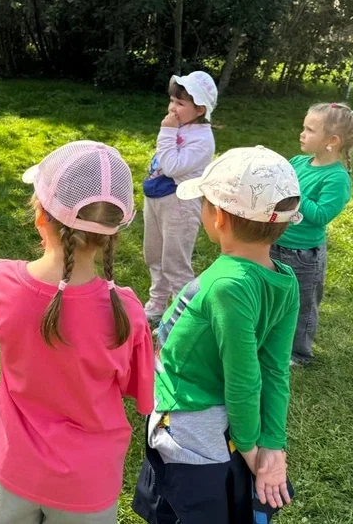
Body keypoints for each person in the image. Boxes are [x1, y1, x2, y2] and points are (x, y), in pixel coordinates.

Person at [0, 141, 154, 523]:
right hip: (88, 485)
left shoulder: (3, 281)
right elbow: (140, 390)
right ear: (111, 236)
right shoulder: (128, 313)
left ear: (40, 216)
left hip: (14, 469)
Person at [132, 146, 301, 524]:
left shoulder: (226, 285)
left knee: (185, 509)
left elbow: (245, 378)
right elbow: (275, 369)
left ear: (219, 217)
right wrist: (271, 442)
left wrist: (254, 450)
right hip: (220, 426)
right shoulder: (285, 282)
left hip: (190, 426)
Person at [271, 102, 353, 365]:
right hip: (276, 242)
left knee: (303, 304)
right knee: (274, 295)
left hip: (304, 255)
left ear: (332, 141)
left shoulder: (336, 178)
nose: (302, 134)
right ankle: (271, 340)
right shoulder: (298, 162)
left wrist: (296, 192)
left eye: (310, 130)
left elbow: (321, 215)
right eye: (304, 127)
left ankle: (299, 353)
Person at [142, 71, 217, 323]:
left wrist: (166, 132)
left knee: (175, 262)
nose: (172, 108)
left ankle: (181, 317)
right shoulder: (182, 126)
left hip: (179, 205)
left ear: (200, 109)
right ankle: (157, 302)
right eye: (172, 100)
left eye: (180, 103)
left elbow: (172, 166)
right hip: (156, 198)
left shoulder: (202, 139)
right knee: (154, 255)